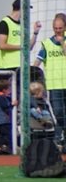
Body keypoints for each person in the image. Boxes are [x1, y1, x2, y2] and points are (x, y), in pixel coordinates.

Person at [34, 12, 66, 147]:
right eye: (55, 28)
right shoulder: (47, 44)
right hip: (54, 85)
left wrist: (62, 42)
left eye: (60, 28)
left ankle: (60, 138)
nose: (58, 31)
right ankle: (61, 135)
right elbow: (38, 61)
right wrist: (32, 72)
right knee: (58, 112)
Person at [0, 0, 40, 82]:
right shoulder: (5, 23)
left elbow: (29, 47)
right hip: (7, 67)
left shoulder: (22, 25)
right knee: (9, 90)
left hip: (21, 66)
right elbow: (2, 45)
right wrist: (21, 47)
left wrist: (35, 33)